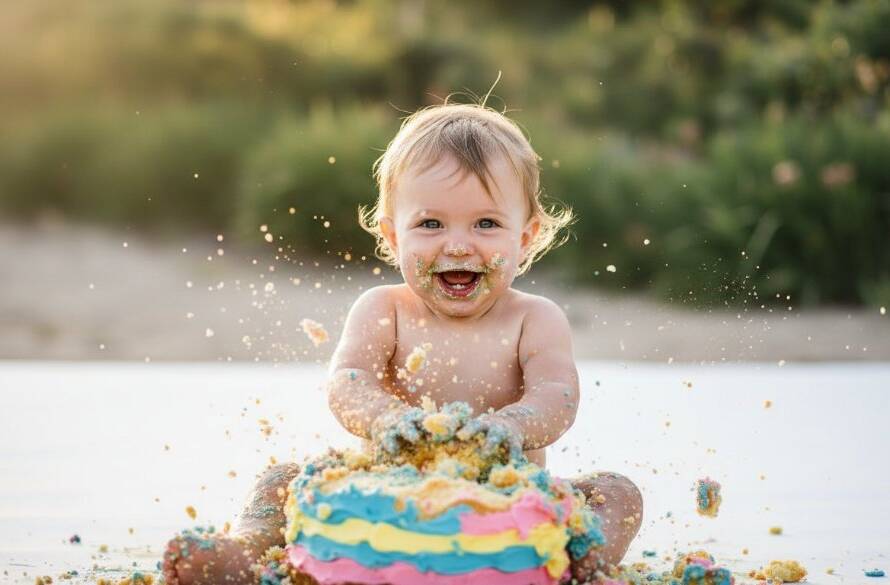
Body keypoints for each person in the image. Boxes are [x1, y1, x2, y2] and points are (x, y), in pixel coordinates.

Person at [162, 101, 642, 585]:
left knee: (616, 492)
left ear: (526, 236)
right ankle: (248, 552)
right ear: (393, 237)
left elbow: (558, 395)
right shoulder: (384, 309)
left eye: (487, 224)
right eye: (430, 224)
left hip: (507, 504)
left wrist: (513, 426)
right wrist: (386, 417)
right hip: (382, 501)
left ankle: (587, 561)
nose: (458, 245)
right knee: (280, 480)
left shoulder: (535, 318)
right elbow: (347, 382)